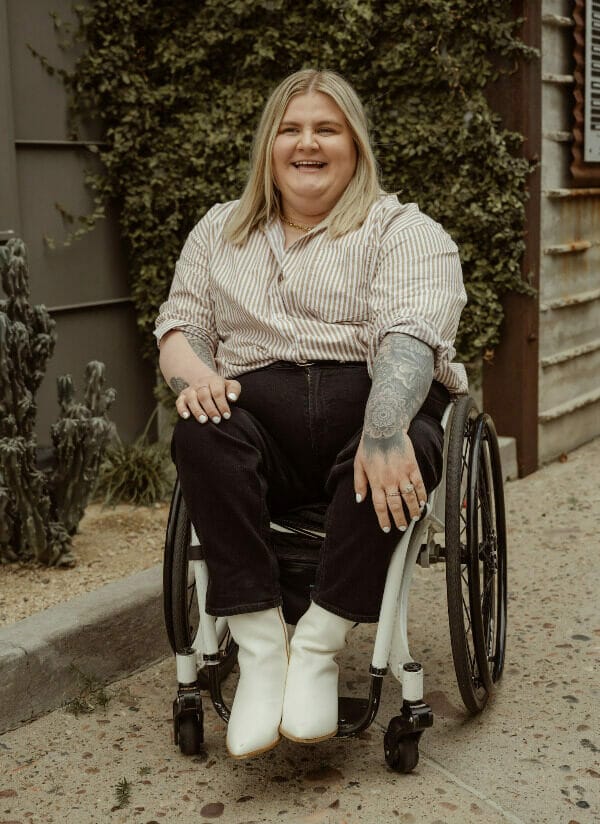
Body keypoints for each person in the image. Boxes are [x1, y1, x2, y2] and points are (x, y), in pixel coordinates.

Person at [155, 69, 467, 760]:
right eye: (291, 129)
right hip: (260, 417)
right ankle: (264, 648)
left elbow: (411, 332)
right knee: (201, 429)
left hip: (369, 399)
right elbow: (180, 323)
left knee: (403, 442)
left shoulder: (402, 228)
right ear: (269, 145)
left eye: (326, 129)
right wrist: (195, 373)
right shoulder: (219, 230)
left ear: (354, 145)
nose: (308, 143)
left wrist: (383, 428)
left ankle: (322, 645)